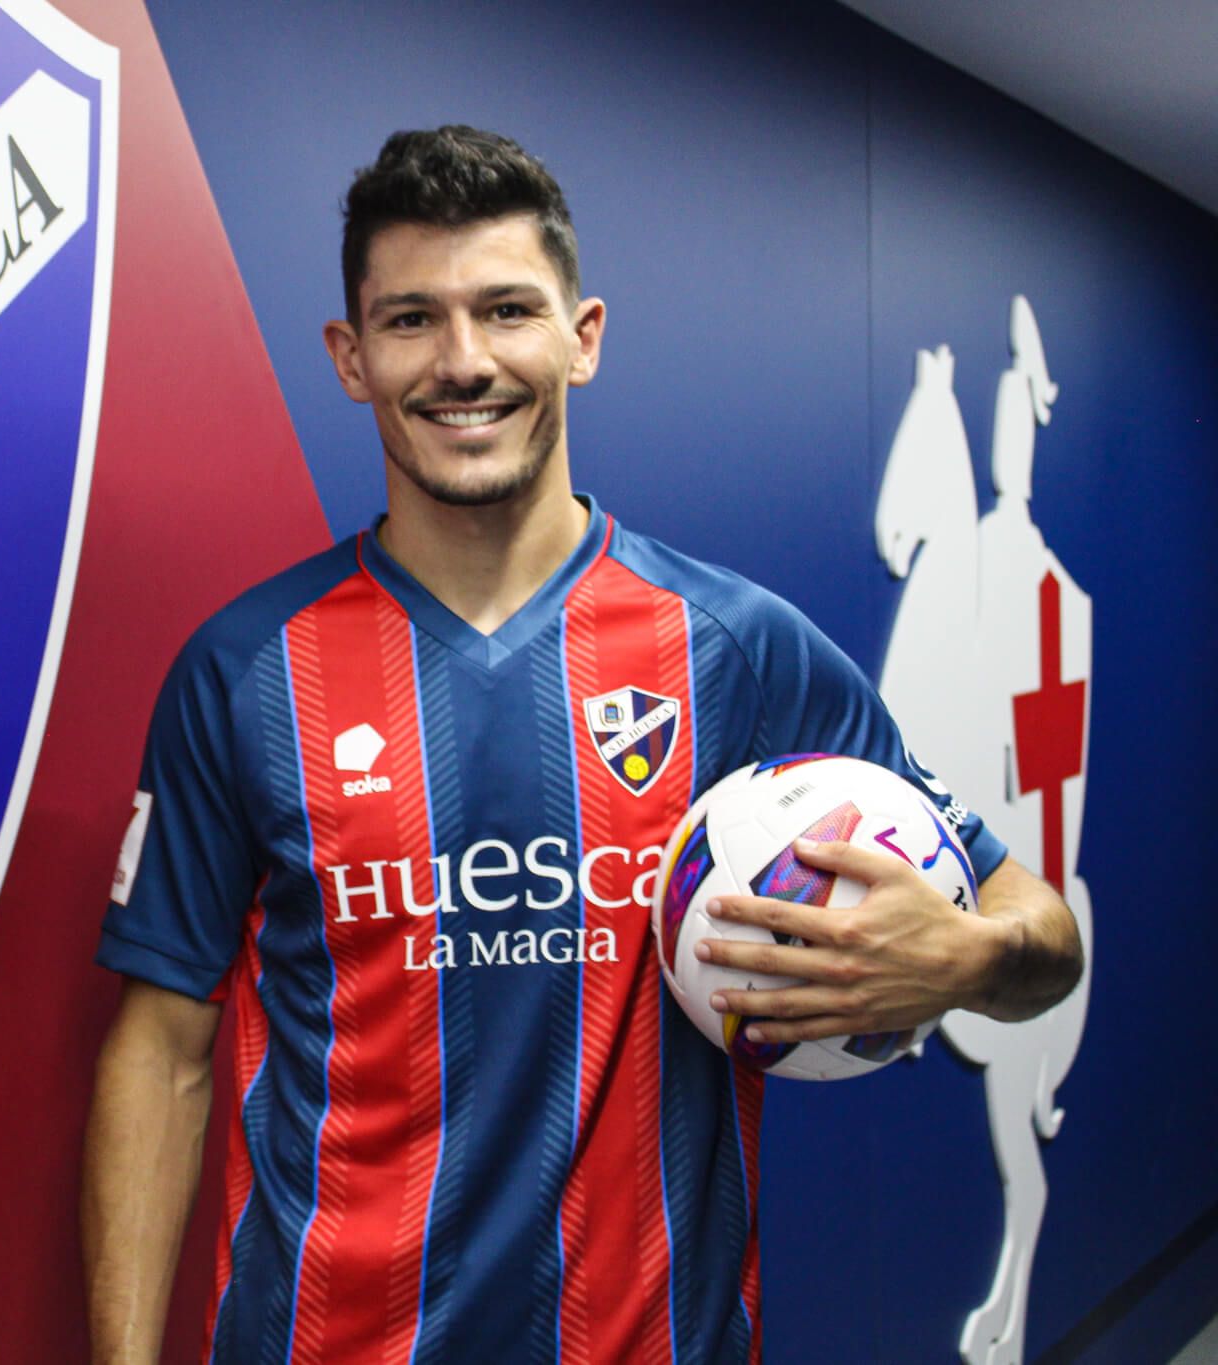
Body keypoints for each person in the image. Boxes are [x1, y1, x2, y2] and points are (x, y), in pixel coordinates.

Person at [81, 126, 1082, 1364]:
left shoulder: (734, 648)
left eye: (507, 310)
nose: (462, 363)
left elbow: (1042, 932)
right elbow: (162, 1053)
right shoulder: (241, 672)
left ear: (581, 335)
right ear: (349, 358)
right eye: (408, 320)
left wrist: (966, 954)